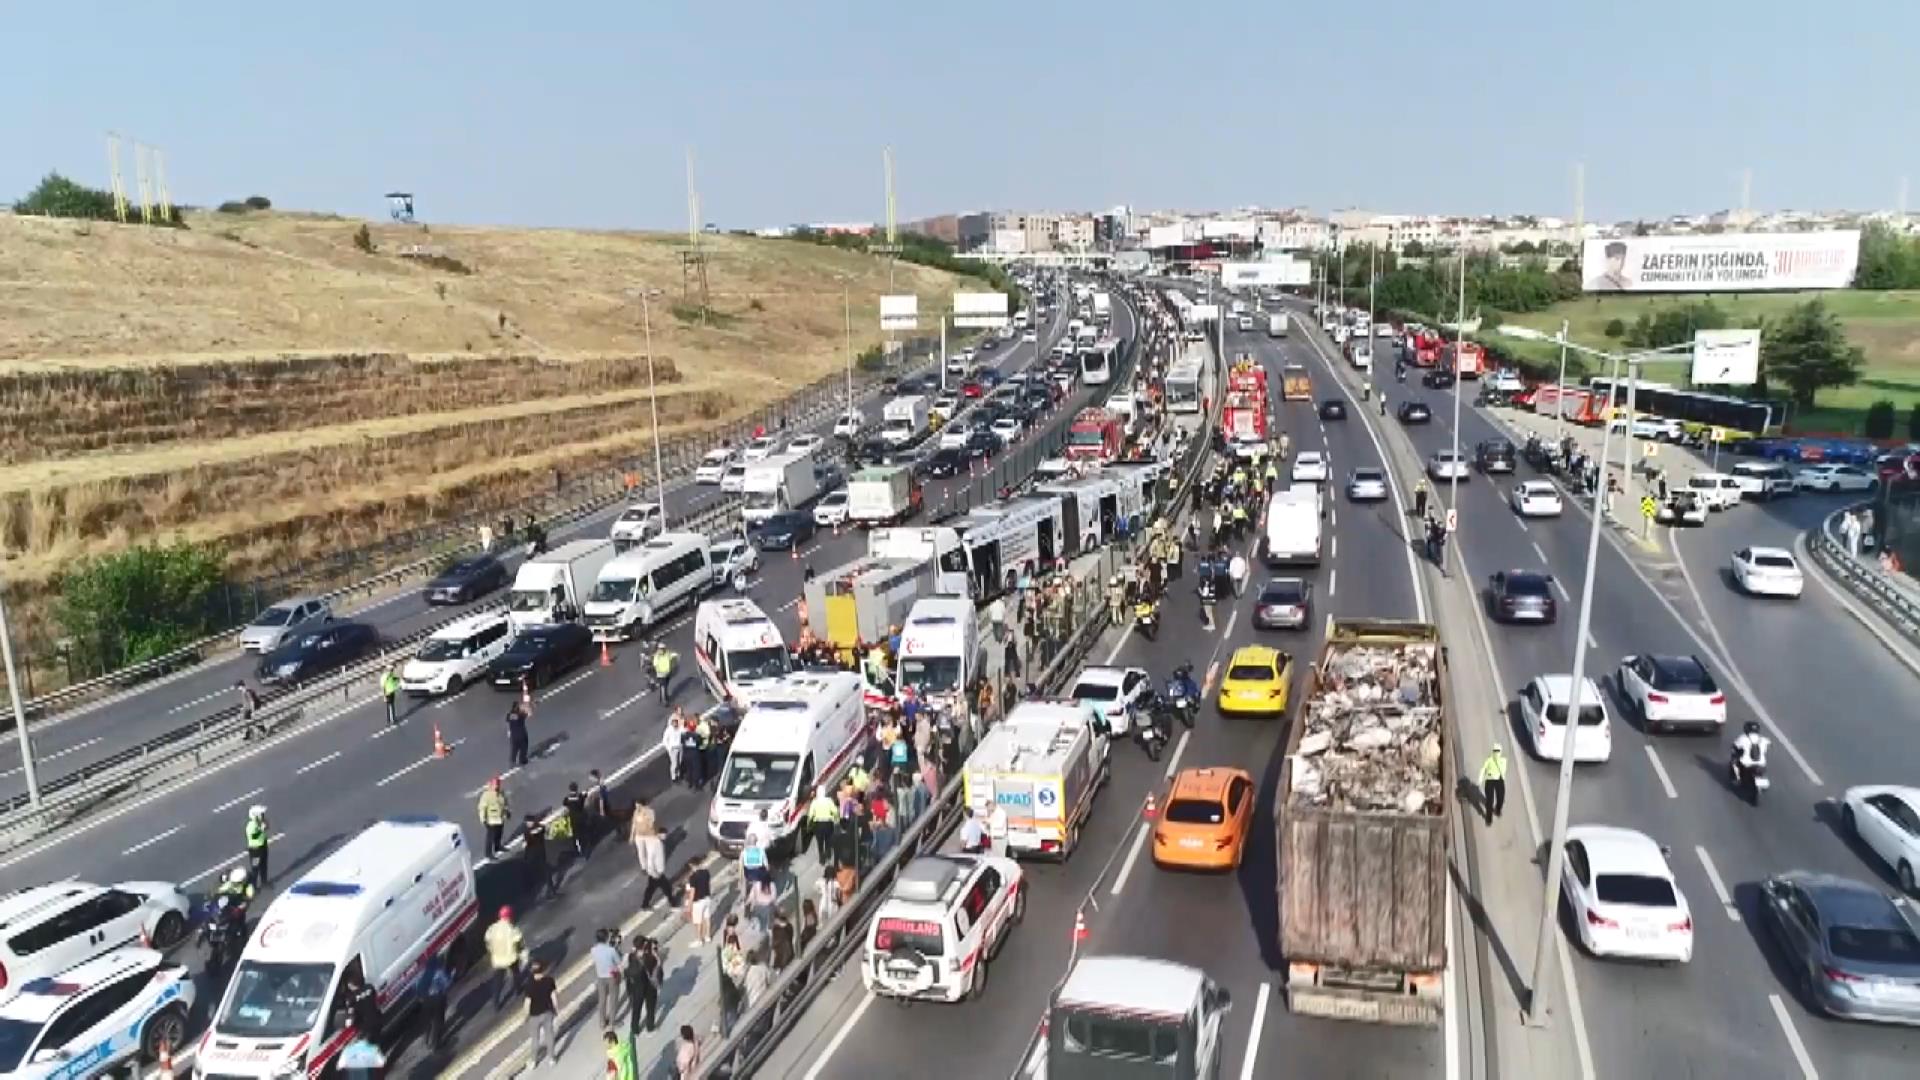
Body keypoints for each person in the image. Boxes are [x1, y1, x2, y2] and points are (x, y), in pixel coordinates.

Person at [486, 906, 525, 1008]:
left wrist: (492, 951)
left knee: (497, 981)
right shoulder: (512, 929)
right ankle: (518, 990)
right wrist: (521, 953)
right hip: (510, 957)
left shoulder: (492, 928)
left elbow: (488, 941)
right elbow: (518, 943)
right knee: (516, 973)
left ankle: (496, 1003)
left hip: (497, 959)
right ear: (509, 917)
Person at [524, 960, 558, 1067]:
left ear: (532, 972)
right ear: (543, 969)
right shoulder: (549, 980)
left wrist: (525, 1016)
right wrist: (556, 1009)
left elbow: (527, 1003)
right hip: (548, 1013)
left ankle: (533, 1061)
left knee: (535, 1039)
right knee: (549, 1035)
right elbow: (554, 997)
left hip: (534, 1016)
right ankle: (552, 1058)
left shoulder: (529, 985)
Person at [634, 816, 672, 907]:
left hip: (656, 873)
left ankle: (645, 905)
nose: (665, 837)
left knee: (650, 889)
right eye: (664, 835)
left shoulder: (658, 842)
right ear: (659, 834)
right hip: (657, 873)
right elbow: (650, 860)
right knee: (667, 888)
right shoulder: (656, 844)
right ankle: (673, 903)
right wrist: (655, 874)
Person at [625, 937, 660, 1036]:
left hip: (637, 987)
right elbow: (657, 965)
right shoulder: (649, 957)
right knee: (650, 1007)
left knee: (636, 1009)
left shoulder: (632, 956)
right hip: (649, 986)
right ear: (644, 945)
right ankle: (650, 1026)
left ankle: (635, 1029)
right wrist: (655, 954)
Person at [418, 955, 451, 1052]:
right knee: (438, 1021)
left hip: (426, 1000)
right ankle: (435, 1044)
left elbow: (416, 987)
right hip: (437, 999)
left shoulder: (422, 974)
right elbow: (447, 983)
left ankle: (427, 1039)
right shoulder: (439, 972)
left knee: (428, 1021)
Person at [591, 929, 623, 1028]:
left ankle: (602, 1022)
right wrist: (616, 947)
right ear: (606, 938)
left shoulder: (593, 950)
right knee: (613, 999)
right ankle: (612, 1022)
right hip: (612, 976)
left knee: (602, 1000)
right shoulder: (611, 950)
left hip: (600, 977)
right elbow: (619, 961)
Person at [476, 776, 511, 858]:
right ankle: (488, 854)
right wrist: (483, 820)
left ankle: (497, 847)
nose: (496, 787)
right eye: (495, 785)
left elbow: (505, 804)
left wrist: (508, 812)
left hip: (500, 818)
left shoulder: (501, 793)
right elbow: (482, 808)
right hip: (491, 820)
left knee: (499, 834)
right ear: (491, 785)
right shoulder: (487, 795)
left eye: (498, 785)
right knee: (490, 838)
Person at [1731, 721, 1771, 787]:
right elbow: (1769, 744)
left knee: (1734, 763)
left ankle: (1738, 779)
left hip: (1747, 763)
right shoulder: (1763, 739)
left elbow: (1735, 745)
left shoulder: (1743, 738)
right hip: (1761, 763)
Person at [685, 861, 714, 945]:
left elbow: (692, 892)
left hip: (698, 902)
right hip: (707, 898)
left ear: (692, 865)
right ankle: (708, 936)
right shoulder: (706, 872)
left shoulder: (693, 877)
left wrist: (689, 906)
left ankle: (699, 940)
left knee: (698, 921)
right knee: (707, 918)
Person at [1478, 745, 1508, 825]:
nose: (1496, 753)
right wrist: (1480, 779)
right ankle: (1488, 819)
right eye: (1495, 751)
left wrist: (1497, 762)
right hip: (1490, 780)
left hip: (1499, 779)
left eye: (1498, 751)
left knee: (1501, 797)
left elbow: (1503, 771)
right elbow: (1483, 769)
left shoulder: (1503, 761)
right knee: (1489, 801)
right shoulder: (1489, 760)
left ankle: (1498, 810)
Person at [244, 804, 270, 886]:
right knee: (255, 868)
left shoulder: (259, 822)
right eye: (261, 814)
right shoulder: (251, 825)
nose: (263, 815)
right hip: (255, 850)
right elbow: (253, 836)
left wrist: (264, 824)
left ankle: (264, 882)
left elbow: (267, 827)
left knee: (264, 865)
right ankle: (253, 886)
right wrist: (261, 830)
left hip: (262, 846)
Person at [505, 698, 531, 768]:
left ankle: (512, 762)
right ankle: (522, 761)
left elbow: (508, 721)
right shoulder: (520, 715)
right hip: (521, 735)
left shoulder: (509, 715)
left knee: (514, 749)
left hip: (513, 735)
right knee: (523, 747)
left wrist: (509, 731)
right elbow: (528, 713)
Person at [661, 710, 684, 783]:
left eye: (676, 722)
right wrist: (669, 748)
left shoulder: (680, 728)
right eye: (674, 722)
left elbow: (684, 732)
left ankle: (678, 774)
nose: (675, 724)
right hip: (673, 749)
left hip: (679, 747)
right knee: (674, 763)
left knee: (680, 761)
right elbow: (664, 740)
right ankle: (674, 777)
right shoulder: (669, 730)